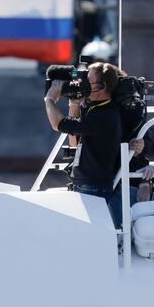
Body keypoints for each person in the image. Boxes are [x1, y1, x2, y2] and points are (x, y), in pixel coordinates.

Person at [44, 62, 122, 222]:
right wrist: (74, 103)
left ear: (102, 86)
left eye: (87, 80)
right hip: (84, 183)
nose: (82, 84)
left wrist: (49, 99)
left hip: (94, 186)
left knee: (90, 233)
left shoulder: (104, 114)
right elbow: (74, 142)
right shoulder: (94, 109)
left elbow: (58, 124)